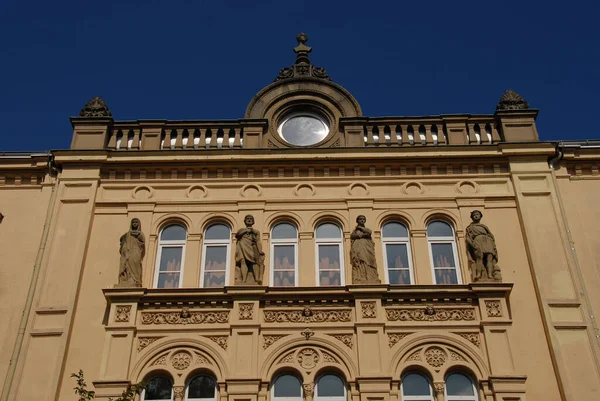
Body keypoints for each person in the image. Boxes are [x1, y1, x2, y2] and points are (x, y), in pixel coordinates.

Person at [466, 210, 501, 281]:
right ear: (472, 217)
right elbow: (468, 238)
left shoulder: (484, 227)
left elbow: (490, 235)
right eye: (474, 215)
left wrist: (493, 244)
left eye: (477, 214)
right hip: (477, 241)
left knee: (489, 258)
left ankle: (490, 275)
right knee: (479, 257)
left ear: (480, 216)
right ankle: (479, 274)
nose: (476, 216)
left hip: (487, 241)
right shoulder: (470, 228)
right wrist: (473, 245)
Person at [235, 215, 265, 285]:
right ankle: (244, 279)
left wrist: (260, 251)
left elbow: (258, 241)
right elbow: (237, 235)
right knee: (243, 261)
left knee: (255, 262)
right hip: (242, 246)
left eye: (251, 219)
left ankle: (256, 278)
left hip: (252, 246)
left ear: (253, 221)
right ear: (245, 221)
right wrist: (246, 230)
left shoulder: (256, 231)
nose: (249, 220)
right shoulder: (241, 230)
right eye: (247, 219)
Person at [350, 215, 380, 283]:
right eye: (360, 219)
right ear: (357, 221)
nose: (362, 220)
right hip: (359, 248)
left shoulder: (364, 229)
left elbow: (369, 232)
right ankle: (360, 276)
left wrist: (360, 228)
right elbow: (353, 236)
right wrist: (362, 235)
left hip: (367, 248)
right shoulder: (355, 231)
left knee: (369, 260)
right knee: (360, 261)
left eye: (363, 219)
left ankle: (371, 276)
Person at [118, 218, 145, 287]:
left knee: (135, 263)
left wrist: (137, 235)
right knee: (126, 264)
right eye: (133, 222)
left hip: (136, 251)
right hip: (127, 251)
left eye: (136, 222)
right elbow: (122, 240)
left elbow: (142, 241)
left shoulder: (140, 234)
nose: (135, 224)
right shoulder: (127, 234)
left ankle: (135, 280)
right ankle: (127, 280)